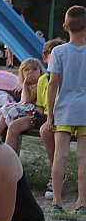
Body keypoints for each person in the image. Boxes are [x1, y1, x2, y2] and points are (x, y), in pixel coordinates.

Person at [46, 5, 86, 214]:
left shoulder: (58, 52)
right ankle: (81, 202)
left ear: (64, 26)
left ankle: (57, 202)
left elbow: (53, 84)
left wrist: (50, 114)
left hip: (65, 109)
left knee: (60, 156)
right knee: (83, 158)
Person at [0, 58, 43, 151]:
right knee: (4, 112)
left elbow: (26, 100)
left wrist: (25, 85)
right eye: (27, 70)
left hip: (33, 112)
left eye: (34, 69)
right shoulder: (28, 86)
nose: (31, 72)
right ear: (22, 74)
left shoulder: (38, 85)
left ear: (40, 71)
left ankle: (6, 152)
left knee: (8, 110)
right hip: (24, 111)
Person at [37, 39, 65, 199]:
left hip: (65, 115)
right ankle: (58, 174)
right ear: (45, 57)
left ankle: (57, 175)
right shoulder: (43, 79)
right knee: (46, 130)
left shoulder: (66, 77)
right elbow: (41, 106)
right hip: (49, 116)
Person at [2, 0, 26, 68]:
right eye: (5, 1)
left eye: (8, 1)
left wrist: (22, 28)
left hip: (15, 30)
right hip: (7, 30)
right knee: (9, 47)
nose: (7, 3)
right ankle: (11, 62)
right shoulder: (3, 9)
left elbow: (22, 19)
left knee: (18, 46)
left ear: (11, 1)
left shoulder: (16, 9)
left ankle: (23, 61)